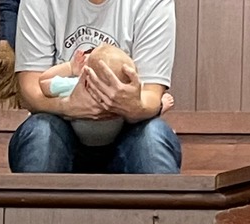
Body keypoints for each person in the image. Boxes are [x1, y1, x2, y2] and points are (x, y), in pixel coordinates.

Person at [10, 0, 181, 175]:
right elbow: (31, 89)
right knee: (40, 134)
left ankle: (163, 202)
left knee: (154, 138)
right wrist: (68, 106)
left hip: (128, 129)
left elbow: (151, 95)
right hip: (59, 126)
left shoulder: (151, 3)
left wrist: (132, 105)